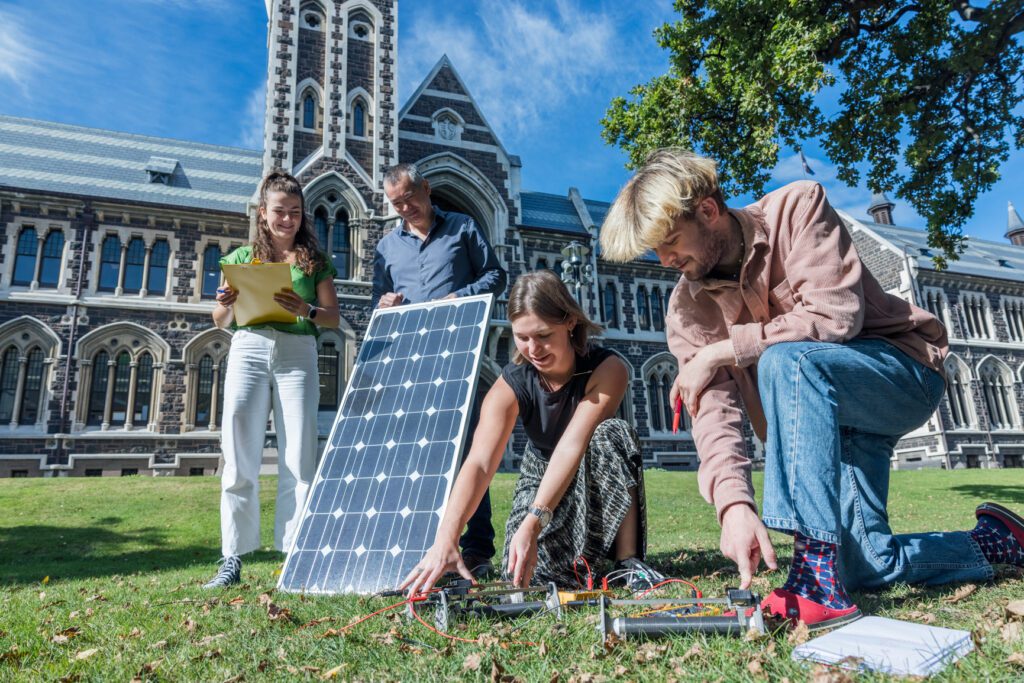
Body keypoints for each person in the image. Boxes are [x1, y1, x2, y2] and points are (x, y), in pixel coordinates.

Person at [599, 148, 1024, 629]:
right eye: (656, 250)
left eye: (672, 241)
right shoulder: (686, 309)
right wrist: (734, 505)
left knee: (786, 357)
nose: (666, 260)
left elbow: (834, 316)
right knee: (865, 564)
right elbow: (713, 413)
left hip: (899, 373)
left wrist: (720, 352)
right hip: (824, 424)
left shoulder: (797, 207)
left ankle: (812, 574)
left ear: (708, 211)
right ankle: (997, 540)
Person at [401, 271, 660, 595]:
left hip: (589, 469)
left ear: (569, 322)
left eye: (543, 335)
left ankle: (627, 563)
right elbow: (479, 462)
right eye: (522, 337)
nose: (533, 349)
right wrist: (447, 538)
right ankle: (576, 558)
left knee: (614, 433)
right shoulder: (511, 384)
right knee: (530, 574)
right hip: (539, 475)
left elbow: (572, 445)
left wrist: (535, 520)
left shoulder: (608, 369)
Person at [204, 170, 340, 588]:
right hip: (248, 347)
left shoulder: (315, 262)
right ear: (263, 214)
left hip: (298, 352)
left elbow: (333, 319)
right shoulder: (242, 260)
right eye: (280, 212)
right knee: (238, 450)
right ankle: (232, 557)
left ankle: (295, 555)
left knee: (299, 455)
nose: (288, 220)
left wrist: (307, 310)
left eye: (295, 213)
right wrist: (224, 303)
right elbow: (220, 319)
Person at [374, 162, 508, 575]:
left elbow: (496, 277)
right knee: (420, 452)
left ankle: (478, 548)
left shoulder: (463, 228)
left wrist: (460, 297)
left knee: (467, 449)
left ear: (426, 190)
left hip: (459, 351)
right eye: (396, 204)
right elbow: (380, 299)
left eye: (409, 199)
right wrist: (384, 304)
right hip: (411, 357)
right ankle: (425, 542)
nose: (404, 209)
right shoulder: (386, 248)